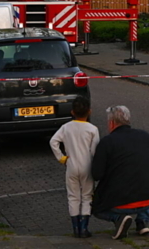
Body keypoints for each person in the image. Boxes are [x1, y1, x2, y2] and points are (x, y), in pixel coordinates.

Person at [91, 105, 149, 240]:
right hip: (147, 199)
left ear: (111, 123)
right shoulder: (144, 136)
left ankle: (118, 218)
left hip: (120, 203)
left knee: (95, 207)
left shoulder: (107, 142)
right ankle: (142, 221)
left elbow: (97, 174)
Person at [50, 96, 100, 238]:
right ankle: (84, 228)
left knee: (73, 196)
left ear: (72, 112)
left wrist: (61, 158)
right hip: (87, 165)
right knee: (87, 196)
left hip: (71, 165)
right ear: (89, 111)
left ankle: (75, 228)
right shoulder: (93, 129)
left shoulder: (66, 127)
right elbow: (95, 150)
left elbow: (53, 141)